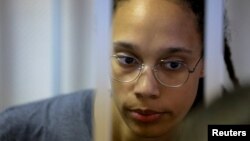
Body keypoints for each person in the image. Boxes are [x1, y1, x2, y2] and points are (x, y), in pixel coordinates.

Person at [0, 0, 240, 141]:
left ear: (205, 62)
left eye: (173, 65)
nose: (146, 89)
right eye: (127, 60)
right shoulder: (23, 130)